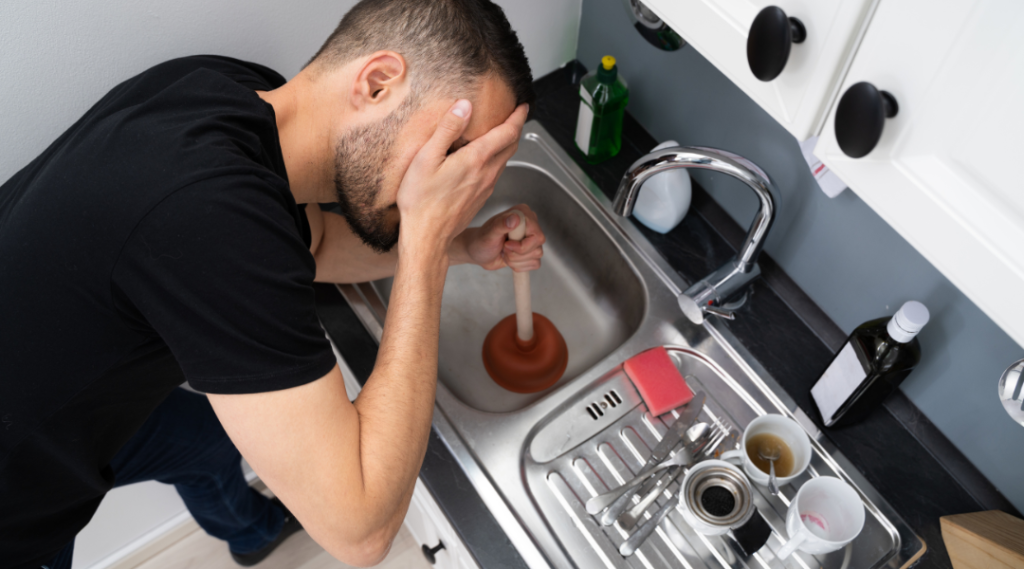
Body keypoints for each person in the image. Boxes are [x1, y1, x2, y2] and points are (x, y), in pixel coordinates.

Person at [0, 0, 545, 567]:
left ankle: (250, 531)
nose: (454, 185)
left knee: (206, 443)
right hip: (16, 500)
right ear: (378, 82)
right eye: (454, 151)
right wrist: (426, 245)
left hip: (48, 381)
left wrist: (463, 245)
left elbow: (318, 245)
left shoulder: (231, 92)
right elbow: (360, 530)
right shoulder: (209, 216)